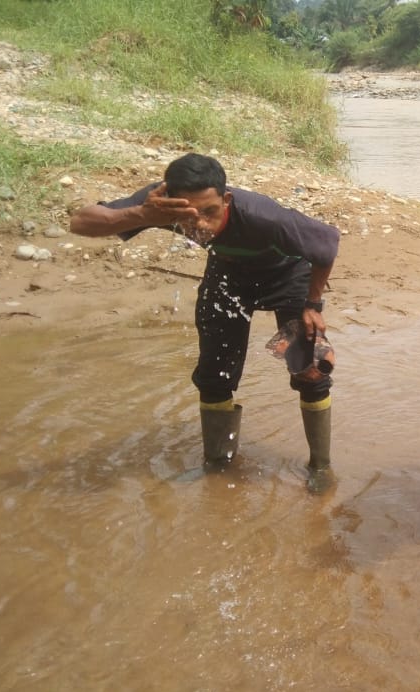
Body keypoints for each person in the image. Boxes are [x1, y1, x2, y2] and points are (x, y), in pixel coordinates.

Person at [69, 153, 342, 489]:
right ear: (169, 203)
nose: (200, 224)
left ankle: (320, 467)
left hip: (288, 277)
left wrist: (313, 304)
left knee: (309, 369)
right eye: (189, 214)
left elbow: (327, 243)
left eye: (211, 211)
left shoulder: (262, 217)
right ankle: (217, 464)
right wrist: (141, 214)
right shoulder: (159, 204)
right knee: (215, 375)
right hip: (228, 276)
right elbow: (80, 223)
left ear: (226, 199)